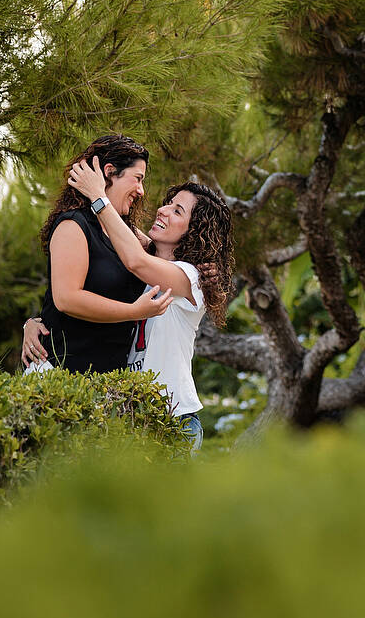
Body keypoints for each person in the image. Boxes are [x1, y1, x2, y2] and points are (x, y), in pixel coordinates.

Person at [23, 157, 234, 452]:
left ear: (194, 230)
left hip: (173, 420)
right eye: (168, 202)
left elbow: (135, 258)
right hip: (131, 418)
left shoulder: (190, 277)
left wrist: (98, 195)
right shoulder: (143, 266)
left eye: (177, 210)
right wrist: (35, 322)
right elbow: (106, 248)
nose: (162, 209)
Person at [23, 135, 174, 375]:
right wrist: (134, 312)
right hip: (62, 376)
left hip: (110, 383)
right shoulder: (73, 225)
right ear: (110, 172)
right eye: (137, 179)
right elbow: (66, 299)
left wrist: (206, 265)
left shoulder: (129, 236)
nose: (141, 191)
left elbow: (165, 257)